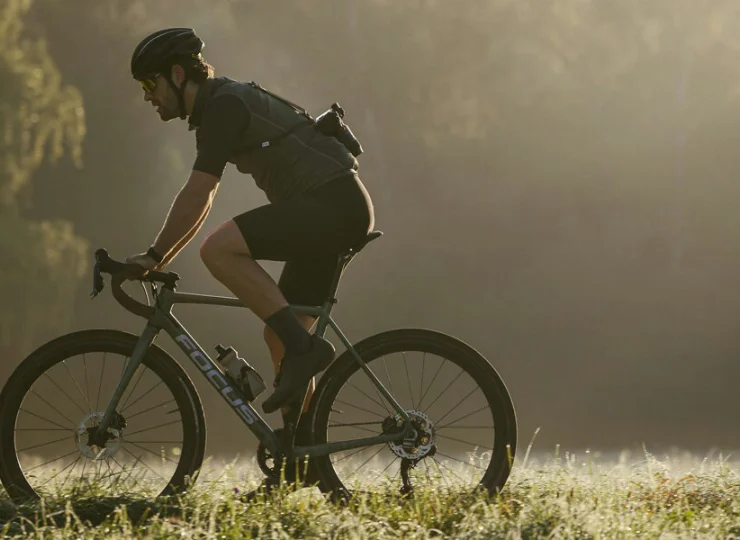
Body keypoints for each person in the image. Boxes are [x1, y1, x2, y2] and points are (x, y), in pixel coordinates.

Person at [124, 28, 375, 487]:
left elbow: (201, 189)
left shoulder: (223, 105)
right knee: (280, 335)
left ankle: (306, 352)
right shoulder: (219, 106)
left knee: (218, 250)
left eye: (149, 84)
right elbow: (204, 196)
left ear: (178, 75)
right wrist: (157, 258)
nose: (148, 97)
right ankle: (305, 459)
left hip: (332, 205)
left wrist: (156, 254)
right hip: (333, 207)